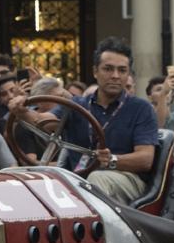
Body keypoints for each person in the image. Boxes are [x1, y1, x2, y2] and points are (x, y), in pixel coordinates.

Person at [11, 36, 158, 204]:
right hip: (78, 178)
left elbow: (145, 159)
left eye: (122, 70)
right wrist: (22, 112)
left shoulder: (141, 108)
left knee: (96, 179)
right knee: (31, 183)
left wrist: (113, 160)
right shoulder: (77, 105)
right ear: (96, 71)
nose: (115, 76)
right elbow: (43, 121)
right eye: (108, 69)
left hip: (127, 179)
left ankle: (92, 230)